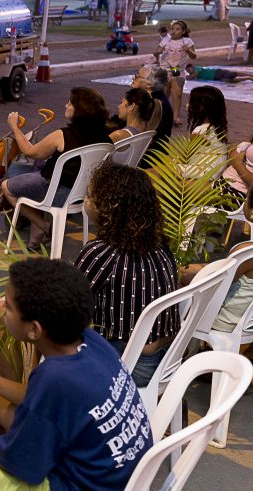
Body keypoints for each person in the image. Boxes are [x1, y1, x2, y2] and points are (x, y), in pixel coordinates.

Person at [0, 258, 151, 491]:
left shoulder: (56, 378)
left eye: (9, 306)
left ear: (34, 329)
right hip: (108, 472)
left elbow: (22, 466)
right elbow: (33, 399)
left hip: (71, 483)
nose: (2, 310)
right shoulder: (87, 341)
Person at [77, 162, 179, 387]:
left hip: (130, 362)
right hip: (166, 358)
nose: (86, 200)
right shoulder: (159, 245)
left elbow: (66, 306)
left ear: (108, 206)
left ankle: (31, 398)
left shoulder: (101, 253)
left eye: (90, 195)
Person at [182, 174, 253, 370]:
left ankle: (178, 358)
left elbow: (213, 283)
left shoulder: (250, 252)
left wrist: (182, 270)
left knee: (175, 288)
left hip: (226, 323)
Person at [1, 88, 112, 250]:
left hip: (55, 192)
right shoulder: (106, 139)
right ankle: (36, 236)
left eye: (70, 102)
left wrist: (15, 127)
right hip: (81, 194)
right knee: (32, 177)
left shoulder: (63, 135)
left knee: (7, 186)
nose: (66, 104)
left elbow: (31, 152)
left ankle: (43, 225)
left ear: (79, 109)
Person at [153, 19, 197, 126]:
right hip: (164, 69)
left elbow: (194, 56)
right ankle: (162, 115)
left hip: (176, 69)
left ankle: (176, 117)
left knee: (177, 94)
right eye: (172, 29)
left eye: (177, 29)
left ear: (183, 31)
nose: (174, 31)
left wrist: (188, 50)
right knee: (164, 94)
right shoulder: (165, 40)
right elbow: (156, 53)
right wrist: (157, 52)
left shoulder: (187, 41)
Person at [131, 65, 174, 168]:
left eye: (138, 76)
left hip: (147, 159)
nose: (133, 78)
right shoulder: (152, 99)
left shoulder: (154, 104)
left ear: (150, 84)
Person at [184, 64, 253, 84]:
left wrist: (186, 76)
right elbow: (191, 77)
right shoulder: (194, 73)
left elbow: (193, 76)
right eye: (188, 71)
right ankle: (248, 78)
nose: (189, 72)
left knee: (234, 74)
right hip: (215, 77)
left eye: (189, 70)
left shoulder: (197, 68)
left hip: (217, 72)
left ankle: (250, 75)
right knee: (231, 80)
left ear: (192, 67)